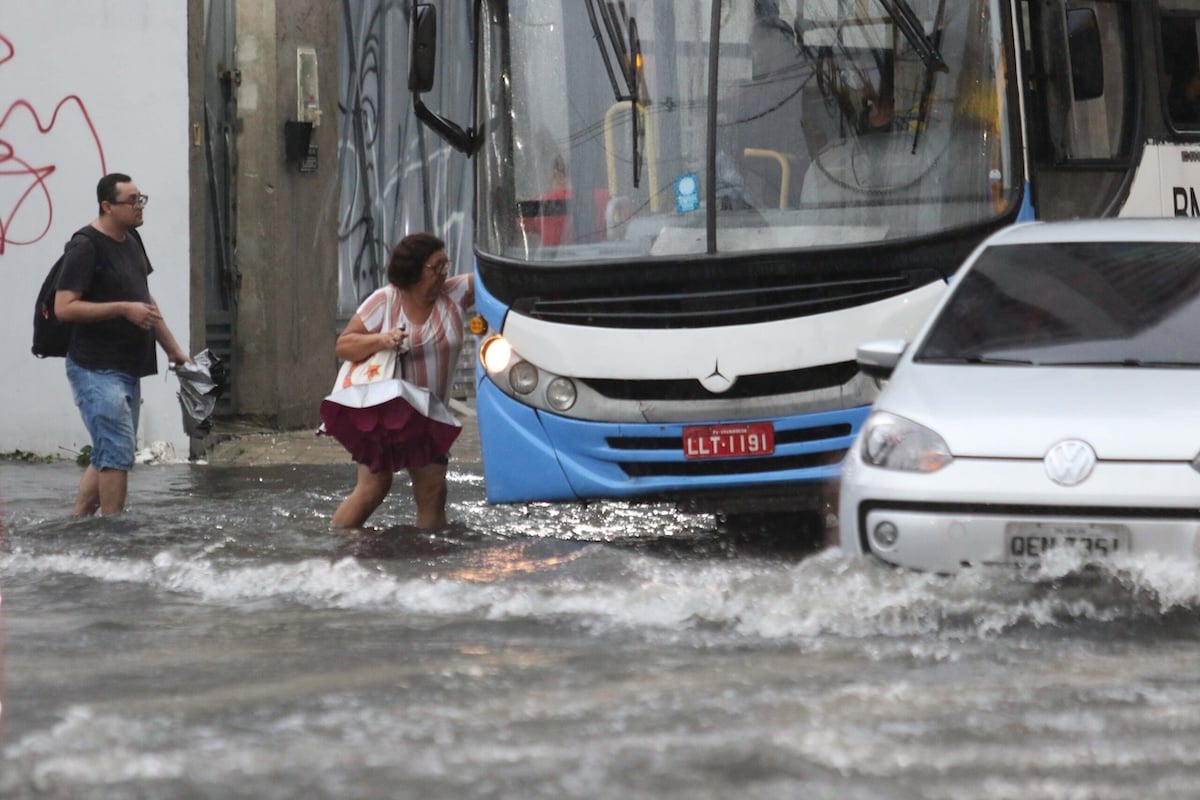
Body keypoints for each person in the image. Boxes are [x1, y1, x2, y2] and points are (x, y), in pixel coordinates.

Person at [54, 172, 190, 516]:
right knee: (117, 453)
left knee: (107, 451)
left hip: (127, 367)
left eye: (141, 198)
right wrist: (122, 309)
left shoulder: (131, 240)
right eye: (132, 201)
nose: (140, 206)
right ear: (107, 206)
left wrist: (173, 350)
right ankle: (115, 533)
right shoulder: (85, 247)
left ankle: (78, 522)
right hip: (94, 369)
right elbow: (64, 307)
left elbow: (144, 300)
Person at [331, 232, 475, 529]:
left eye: (446, 266)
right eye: (435, 267)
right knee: (374, 487)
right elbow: (344, 345)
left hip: (430, 416)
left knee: (433, 490)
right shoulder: (385, 301)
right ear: (414, 271)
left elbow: (494, 276)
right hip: (386, 416)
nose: (443, 274)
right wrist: (383, 340)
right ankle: (339, 549)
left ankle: (428, 559)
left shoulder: (455, 294)